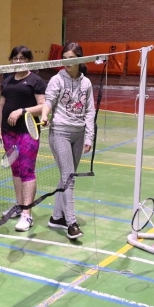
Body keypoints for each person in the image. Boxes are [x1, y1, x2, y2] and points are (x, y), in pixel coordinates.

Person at [41, 42, 95, 240]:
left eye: (71, 59)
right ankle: (71, 223)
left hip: (79, 135)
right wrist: (44, 115)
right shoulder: (57, 80)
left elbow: (90, 111)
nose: (67, 62)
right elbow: (49, 101)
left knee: (66, 177)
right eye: (64, 59)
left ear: (80, 59)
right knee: (69, 177)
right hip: (60, 132)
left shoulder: (86, 83)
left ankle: (56, 217)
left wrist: (89, 136)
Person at [0, 46, 46, 232]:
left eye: (22, 58)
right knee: (15, 169)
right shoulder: (8, 80)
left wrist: (22, 111)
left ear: (29, 60)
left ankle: (27, 214)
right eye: (15, 58)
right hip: (8, 132)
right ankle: (19, 205)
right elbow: (0, 105)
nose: (18, 61)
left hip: (27, 132)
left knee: (26, 170)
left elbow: (43, 106)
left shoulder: (36, 81)